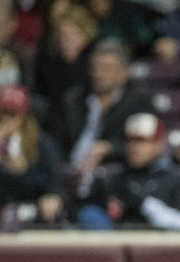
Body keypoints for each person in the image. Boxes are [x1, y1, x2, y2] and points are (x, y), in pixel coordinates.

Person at [78, 112, 180, 231]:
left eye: (143, 141)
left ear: (159, 144)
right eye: (131, 141)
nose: (135, 147)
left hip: (163, 250)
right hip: (117, 249)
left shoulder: (177, 178)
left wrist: (147, 206)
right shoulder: (112, 178)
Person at [57, 38, 155, 189]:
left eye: (107, 68)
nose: (98, 74)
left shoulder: (138, 103)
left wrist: (109, 148)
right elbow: (57, 142)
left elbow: (146, 146)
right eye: (95, 67)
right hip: (67, 174)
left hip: (112, 178)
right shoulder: (73, 100)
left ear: (124, 73)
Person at [0, 84, 64, 224]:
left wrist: (24, 172)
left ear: (23, 117)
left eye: (12, 115)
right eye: (1, 115)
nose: (6, 121)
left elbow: (53, 183)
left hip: (31, 208)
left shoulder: (41, 145)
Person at [32, 3, 99, 130]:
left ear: (86, 35)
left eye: (73, 34)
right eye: (63, 35)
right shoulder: (49, 60)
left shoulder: (94, 61)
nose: (67, 40)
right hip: (53, 121)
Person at [80, 0, 162, 60]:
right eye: (92, 0)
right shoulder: (86, 16)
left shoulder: (130, 11)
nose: (96, 4)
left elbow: (145, 35)